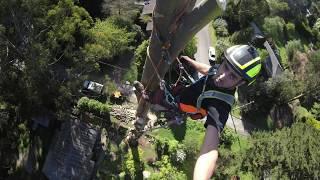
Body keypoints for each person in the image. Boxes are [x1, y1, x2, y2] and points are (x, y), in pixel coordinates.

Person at [134, 44, 261, 179]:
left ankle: (145, 106)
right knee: (168, 87)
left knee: (151, 95)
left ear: (240, 83)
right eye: (225, 67)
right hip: (183, 92)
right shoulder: (219, 70)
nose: (223, 76)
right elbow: (210, 70)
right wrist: (191, 62)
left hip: (178, 106)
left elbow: (209, 150)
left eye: (232, 77)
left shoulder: (221, 105)